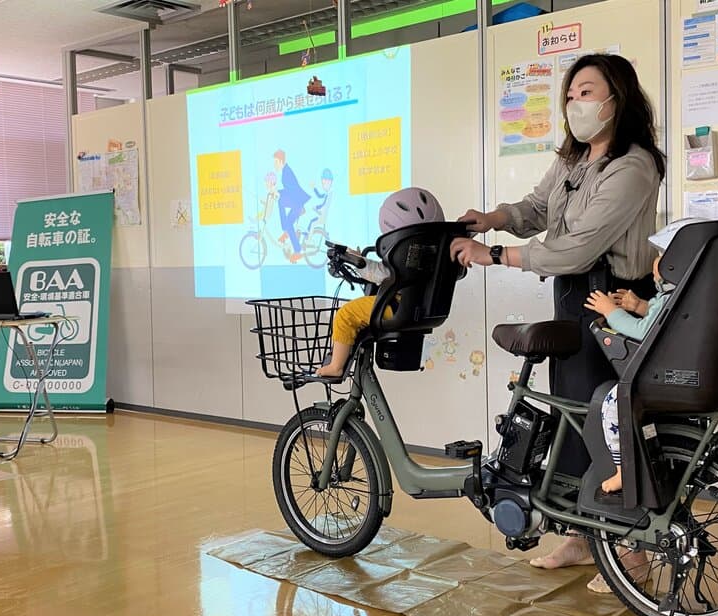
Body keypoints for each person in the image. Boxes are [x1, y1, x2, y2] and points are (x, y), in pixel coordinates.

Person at [449, 54, 666, 574]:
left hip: (614, 299)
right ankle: (582, 535)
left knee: (606, 420)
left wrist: (495, 255)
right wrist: (493, 220)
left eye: (587, 93)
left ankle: (631, 548)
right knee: (573, 414)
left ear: (618, 98)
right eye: (570, 94)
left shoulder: (633, 166)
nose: (575, 104)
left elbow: (576, 248)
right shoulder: (573, 159)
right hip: (574, 296)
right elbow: (538, 208)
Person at [584, 218, 705, 496]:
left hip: (661, 375)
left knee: (613, 403)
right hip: (686, 372)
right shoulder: (692, 295)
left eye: (661, 256)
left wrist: (611, 311)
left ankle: (623, 469)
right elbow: (661, 320)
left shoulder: (673, 295)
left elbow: (642, 331)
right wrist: (639, 305)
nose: (656, 261)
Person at [316, 187, 444, 377]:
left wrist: (359, 262)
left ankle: (335, 366)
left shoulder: (407, 257)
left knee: (345, 315)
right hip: (424, 307)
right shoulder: (440, 248)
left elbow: (381, 274)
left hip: (398, 307)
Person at [273, 150, 311, 262]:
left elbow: (292, 191)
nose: (274, 165)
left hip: (297, 202)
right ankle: (286, 230)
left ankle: (297, 251)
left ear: (280, 161)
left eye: (275, 162)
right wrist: (278, 192)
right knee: (281, 205)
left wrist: (279, 193)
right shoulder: (285, 172)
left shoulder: (286, 173)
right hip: (296, 201)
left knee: (287, 222)